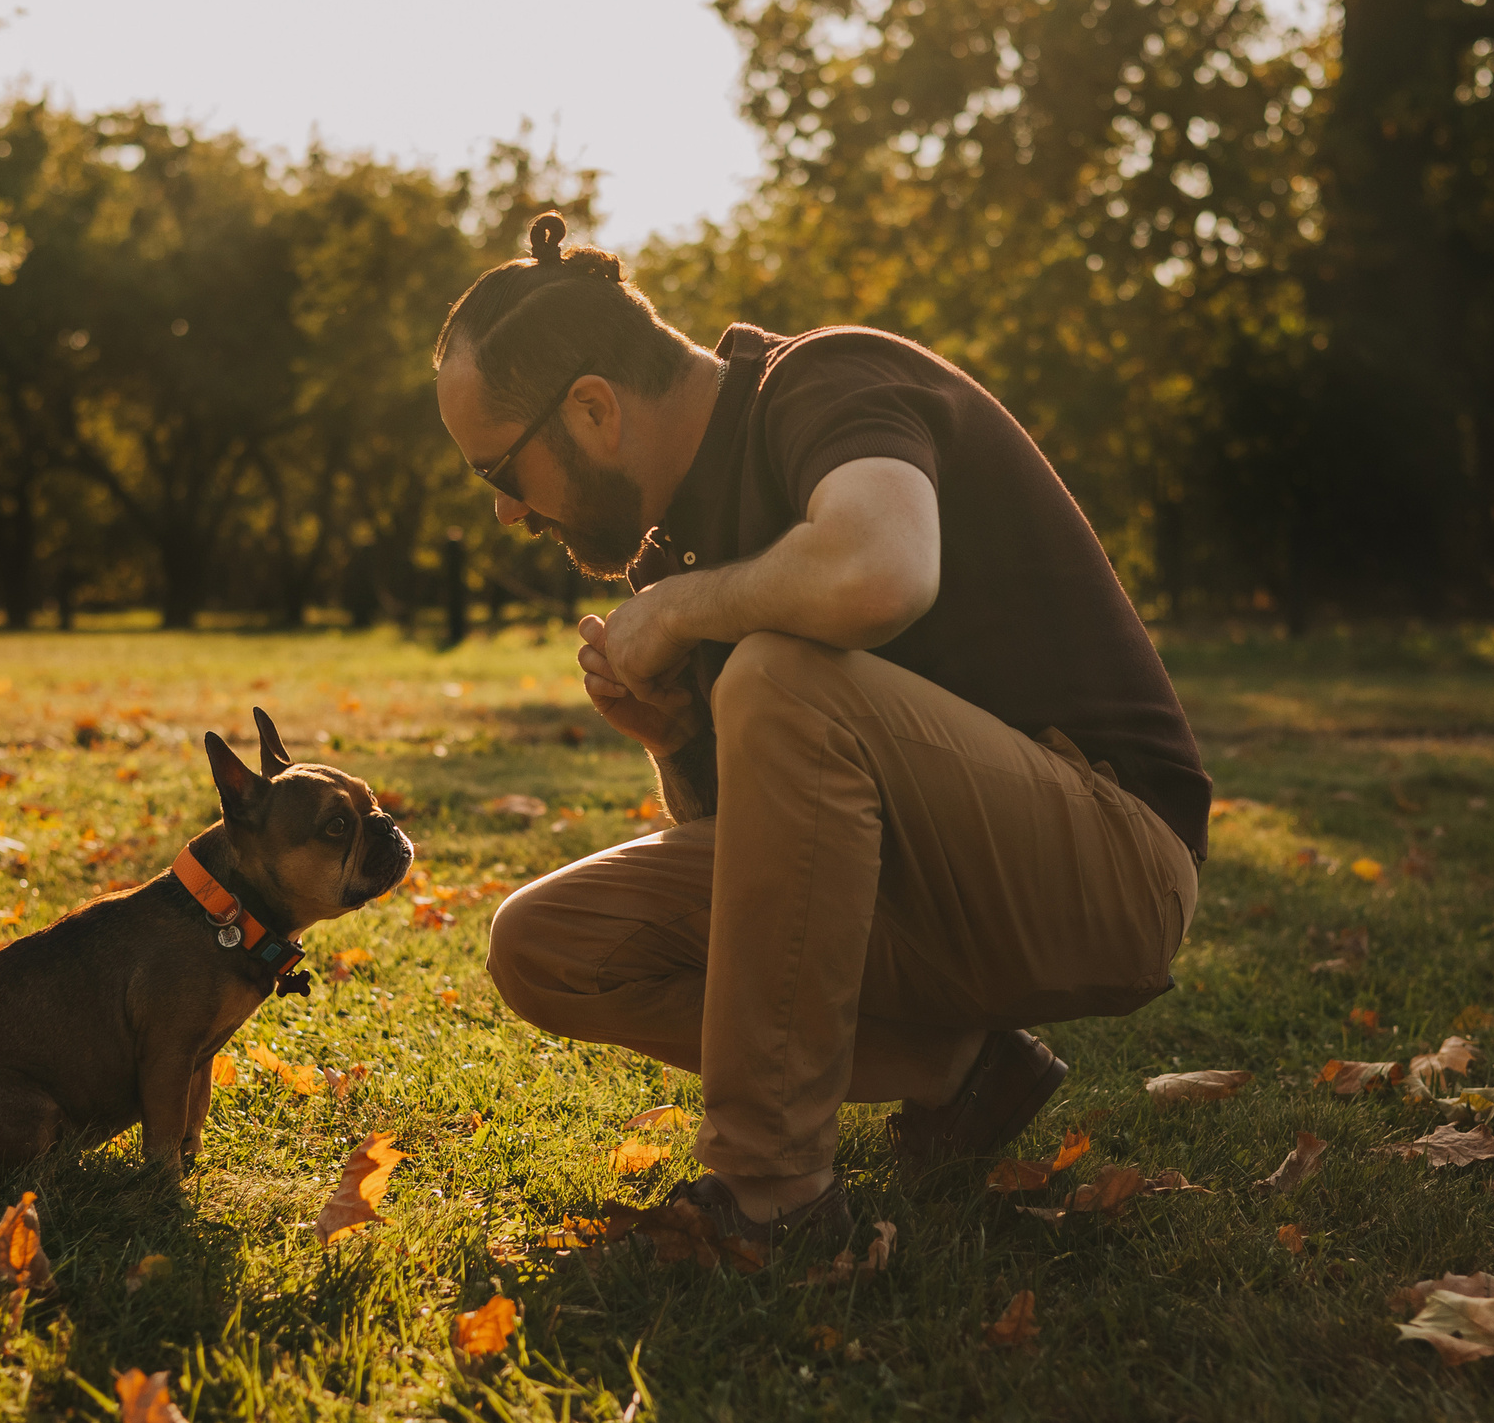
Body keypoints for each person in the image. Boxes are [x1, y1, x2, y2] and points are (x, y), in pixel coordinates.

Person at [434, 212, 1208, 1247]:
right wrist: (670, 740)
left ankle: (773, 1202)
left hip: (1108, 870)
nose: (507, 516)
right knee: (545, 946)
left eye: (499, 474)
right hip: (916, 906)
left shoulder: (826, 383)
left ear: (591, 409)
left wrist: (680, 611)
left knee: (778, 672)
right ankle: (961, 1072)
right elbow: (771, 876)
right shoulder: (687, 552)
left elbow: (880, 569)